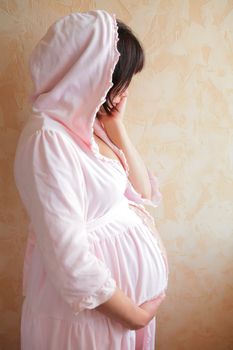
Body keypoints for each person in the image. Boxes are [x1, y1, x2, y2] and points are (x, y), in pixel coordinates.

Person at [13, 9, 169, 350]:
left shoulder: (88, 125)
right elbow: (68, 258)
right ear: (91, 73)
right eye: (123, 79)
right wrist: (134, 316)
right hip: (88, 320)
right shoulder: (47, 140)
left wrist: (117, 128)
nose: (126, 91)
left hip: (117, 315)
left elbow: (141, 194)